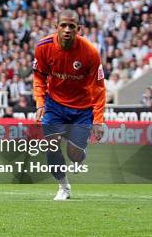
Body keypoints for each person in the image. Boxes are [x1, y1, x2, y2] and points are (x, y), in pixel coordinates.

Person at [33, 10, 105, 201]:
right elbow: (39, 76)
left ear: (78, 29)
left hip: (82, 109)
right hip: (55, 105)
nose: (67, 30)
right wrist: (40, 102)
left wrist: (98, 120)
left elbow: (98, 88)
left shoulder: (90, 52)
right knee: (50, 143)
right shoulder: (43, 47)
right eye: (63, 25)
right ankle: (64, 187)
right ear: (56, 27)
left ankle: (79, 155)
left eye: (71, 26)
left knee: (73, 154)